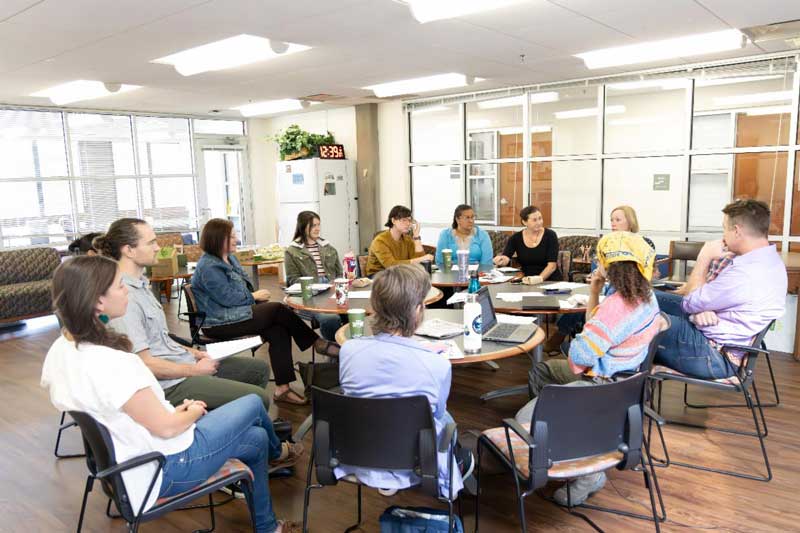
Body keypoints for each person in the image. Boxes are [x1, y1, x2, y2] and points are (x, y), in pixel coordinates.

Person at [40, 255, 300, 533]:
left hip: (128, 463)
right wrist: (192, 413)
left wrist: (175, 413)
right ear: (98, 301)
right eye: (119, 286)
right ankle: (278, 453)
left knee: (257, 438)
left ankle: (268, 526)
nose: (126, 289)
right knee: (251, 403)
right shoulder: (115, 363)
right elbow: (166, 429)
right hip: (163, 469)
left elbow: (134, 414)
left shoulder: (62, 350)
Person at [514, 232, 662, 507]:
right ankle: (559, 439)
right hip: (627, 382)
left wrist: (586, 332)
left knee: (524, 419)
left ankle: (579, 465)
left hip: (600, 384)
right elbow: (600, 330)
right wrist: (595, 290)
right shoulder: (645, 296)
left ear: (608, 265)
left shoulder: (616, 307)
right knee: (542, 371)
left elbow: (578, 358)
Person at [97, 219, 275, 414]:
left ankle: (236, 428)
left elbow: (161, 339)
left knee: (258, 370)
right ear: (129, 250)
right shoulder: (123, 297)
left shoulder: (141, 285)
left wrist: (195, 353)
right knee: (258, 398)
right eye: (151, 243)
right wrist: (194, 370)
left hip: (181, 364)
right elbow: (144, 363)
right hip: (168, 385)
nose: (158, 248)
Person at [336, 264, 471, 497]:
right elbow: (437, 415)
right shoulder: (437, 364)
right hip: (417, 460)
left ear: (375, 306)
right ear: (417, 311)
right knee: (445, 419)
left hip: (359, 453)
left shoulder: (348, 351)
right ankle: (460, 464)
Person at [192, 218, 339, 406]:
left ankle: (282, 389)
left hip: (236, 314)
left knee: (277, 329)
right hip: (218, 323)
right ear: (217, 239)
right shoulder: (209, 267)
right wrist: (253, 297)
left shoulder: (230, 259)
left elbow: (245, 287)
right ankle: (316, 342)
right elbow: (228, 298)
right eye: (232, 237)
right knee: (278, 309)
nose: (236, 240)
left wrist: (251, 295)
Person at [654, 199, 787, 379]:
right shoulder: (770, 260)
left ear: (737, 231)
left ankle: (625, 392)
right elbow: (701, 302)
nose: (723, 236)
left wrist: (704, 257)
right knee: (641, 297)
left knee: (638, 316)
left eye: (724, 228)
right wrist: (701, 310)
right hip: (715, 335)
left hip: (712, 354)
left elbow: (691, 302)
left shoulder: (745, 272)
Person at [547, 205, 651, 351]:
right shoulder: (609, 242)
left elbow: (638, 275)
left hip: (625, 292)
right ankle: (569, 338)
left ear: (630, 221)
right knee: (580, 302)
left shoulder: (642, 243)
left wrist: (606, 279)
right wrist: (595, 275)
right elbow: (602, 267)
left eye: (617, 219)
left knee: (586, 306)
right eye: (611, 220)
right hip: (605, 286)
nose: (613, 223)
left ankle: (568, 340)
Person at [283, 211, 344, 340]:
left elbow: (339, 273)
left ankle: (349, 348)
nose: (317, 229)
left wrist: (341, 280)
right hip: (310, 295)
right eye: (313, 225)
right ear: (303, 227)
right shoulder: (291, 251)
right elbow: (293, 280)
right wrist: (315, 285)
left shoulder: (328, 247)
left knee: (353, 312)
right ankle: (333, 350)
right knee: (330, 318)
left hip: (333, 290)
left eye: (318, 225)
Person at [492, 205, 560, 279]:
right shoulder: (516, 238)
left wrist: (538, 279)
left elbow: (552, 266)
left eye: (540, 218)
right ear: (524, 222)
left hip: (550, 280)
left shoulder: (550, 235)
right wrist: (501, 260)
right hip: (527, 280)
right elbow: (506, 257)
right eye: (534, 220)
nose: (539, 222)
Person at [366, 205, 433, 276]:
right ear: (393, 221)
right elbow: (391, 265)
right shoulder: (379, 241)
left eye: (409, 220)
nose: (408, 223)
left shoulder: (407, 239)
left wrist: (416, 236)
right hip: (378, 276)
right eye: (404, 220)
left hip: (399, 274)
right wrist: (421, 259)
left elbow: (420, 263)